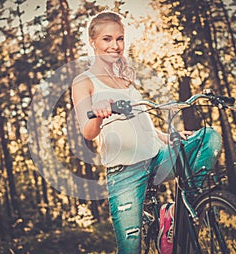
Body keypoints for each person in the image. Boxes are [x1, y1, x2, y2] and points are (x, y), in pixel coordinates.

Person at [72, 11, 222, 254]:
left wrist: (166, 136)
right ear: (93, 41)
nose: (115, 45)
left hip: (156, 157)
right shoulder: (84, 81)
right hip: (125, 174)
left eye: (120, 39)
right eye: (107, 39)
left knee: (210, 137)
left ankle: (174, 214)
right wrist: (98, 115)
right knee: (130, 249)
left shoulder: (124, 76)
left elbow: (140, 120)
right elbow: (88, 133)